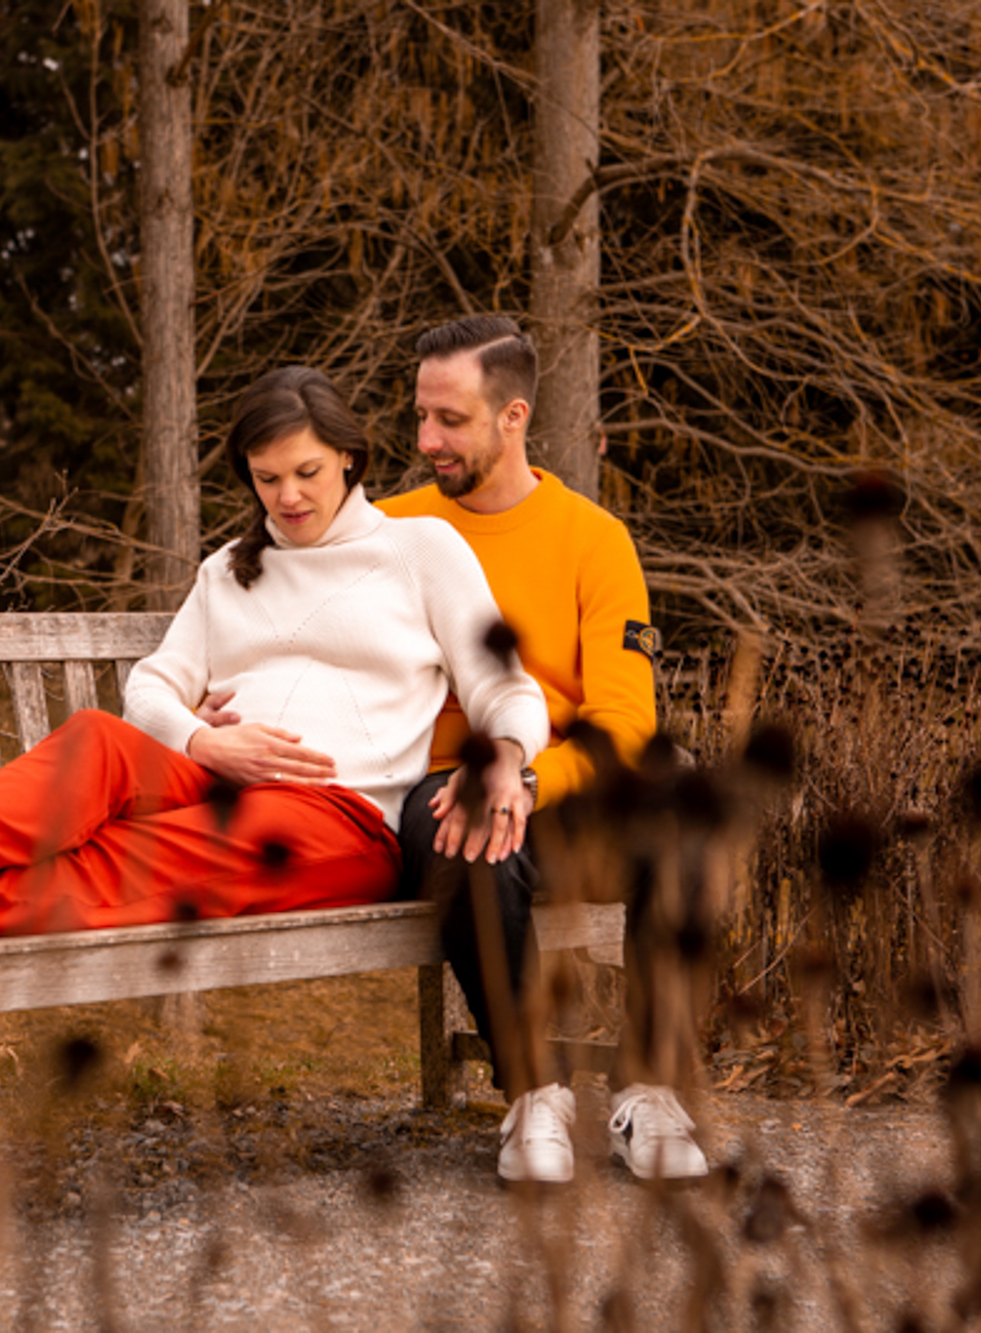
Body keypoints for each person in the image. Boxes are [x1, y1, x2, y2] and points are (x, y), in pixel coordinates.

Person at [0, 366, 548, 968]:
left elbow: (503, 685)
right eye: (267, 480)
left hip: (336, 816)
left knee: (133, 855)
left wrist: (508, 759)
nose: (289, 498)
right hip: (212, 772)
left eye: (307, 473)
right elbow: (151, 688)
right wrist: (203, 743)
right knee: (98, 738)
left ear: (348, 457)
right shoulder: (230, 567)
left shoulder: (420, 549)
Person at [196, 318, 703, 1183]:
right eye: (420, 415)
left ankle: (649, 1088)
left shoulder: (594, 540)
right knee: (466, 833)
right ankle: (533, 1093)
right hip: (439, 788)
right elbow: (290, 621)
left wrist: (528, 779)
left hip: (563, 784)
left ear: (513, 416)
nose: (426, 439)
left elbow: (625, 723)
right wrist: (220, 698)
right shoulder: (390, 529)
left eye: (451, 420)